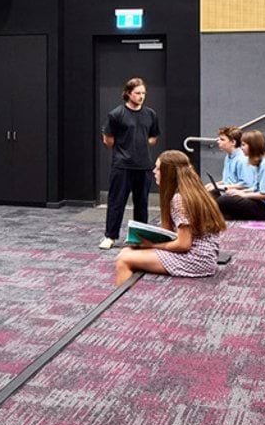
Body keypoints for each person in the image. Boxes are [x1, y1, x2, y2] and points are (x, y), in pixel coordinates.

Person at [114, 151, 227, 284]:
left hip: (196, 259)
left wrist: (153, 244)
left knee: (124, 259)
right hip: (206, 255)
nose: (154, 171)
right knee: (127, 251)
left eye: (158, 168)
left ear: (169, 173)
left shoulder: (179, 200)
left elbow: (183, 244)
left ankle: (125, 302)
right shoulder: (193, 191)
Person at [99, 77, 162, 250]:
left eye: (143, 93)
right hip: (122, 165)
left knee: (141, 203)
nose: (141, 96)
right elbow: (108, 140)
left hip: (143, 166)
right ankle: (110, 236)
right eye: (137, 93)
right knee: (116, 202)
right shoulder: (116, 114)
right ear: (128, 93)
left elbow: (153, 137)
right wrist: (127, 146)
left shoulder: (150, 114)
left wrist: (140, 142)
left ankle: (140, 237)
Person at [215, 130, 265, 221]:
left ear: (253, 146)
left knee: (223, 201)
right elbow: (256, 188)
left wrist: (243, 194)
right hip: (260, 203)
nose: (241, 148)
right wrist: (240, 193)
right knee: (226, 198)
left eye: (244, 145)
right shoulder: (261, 162)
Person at [207, 125, 248, 194]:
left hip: (237, 194)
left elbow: (245, 184)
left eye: (222, 139)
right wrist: (216, 184)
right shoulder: (228, 157)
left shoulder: (242, 159)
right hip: (227, 191)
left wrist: (219, 187)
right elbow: (228, 180)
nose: (218, 141)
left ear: (233, 142)